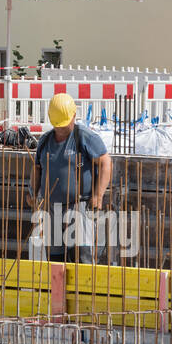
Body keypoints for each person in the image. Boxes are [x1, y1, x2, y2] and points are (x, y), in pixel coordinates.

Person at [30, 93, 112, 263]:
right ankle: (59, 290)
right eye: (57, 125)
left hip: (78, 206)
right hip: (51, 207)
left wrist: (98, 195)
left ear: (74, 115)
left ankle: (84, 290)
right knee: (55, 260)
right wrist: (33, 192)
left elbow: (105, 163)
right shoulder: (45, 141)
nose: (60, 128)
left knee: (81, 257)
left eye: (63, 124)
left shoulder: (84, 137)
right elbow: (37, 168)